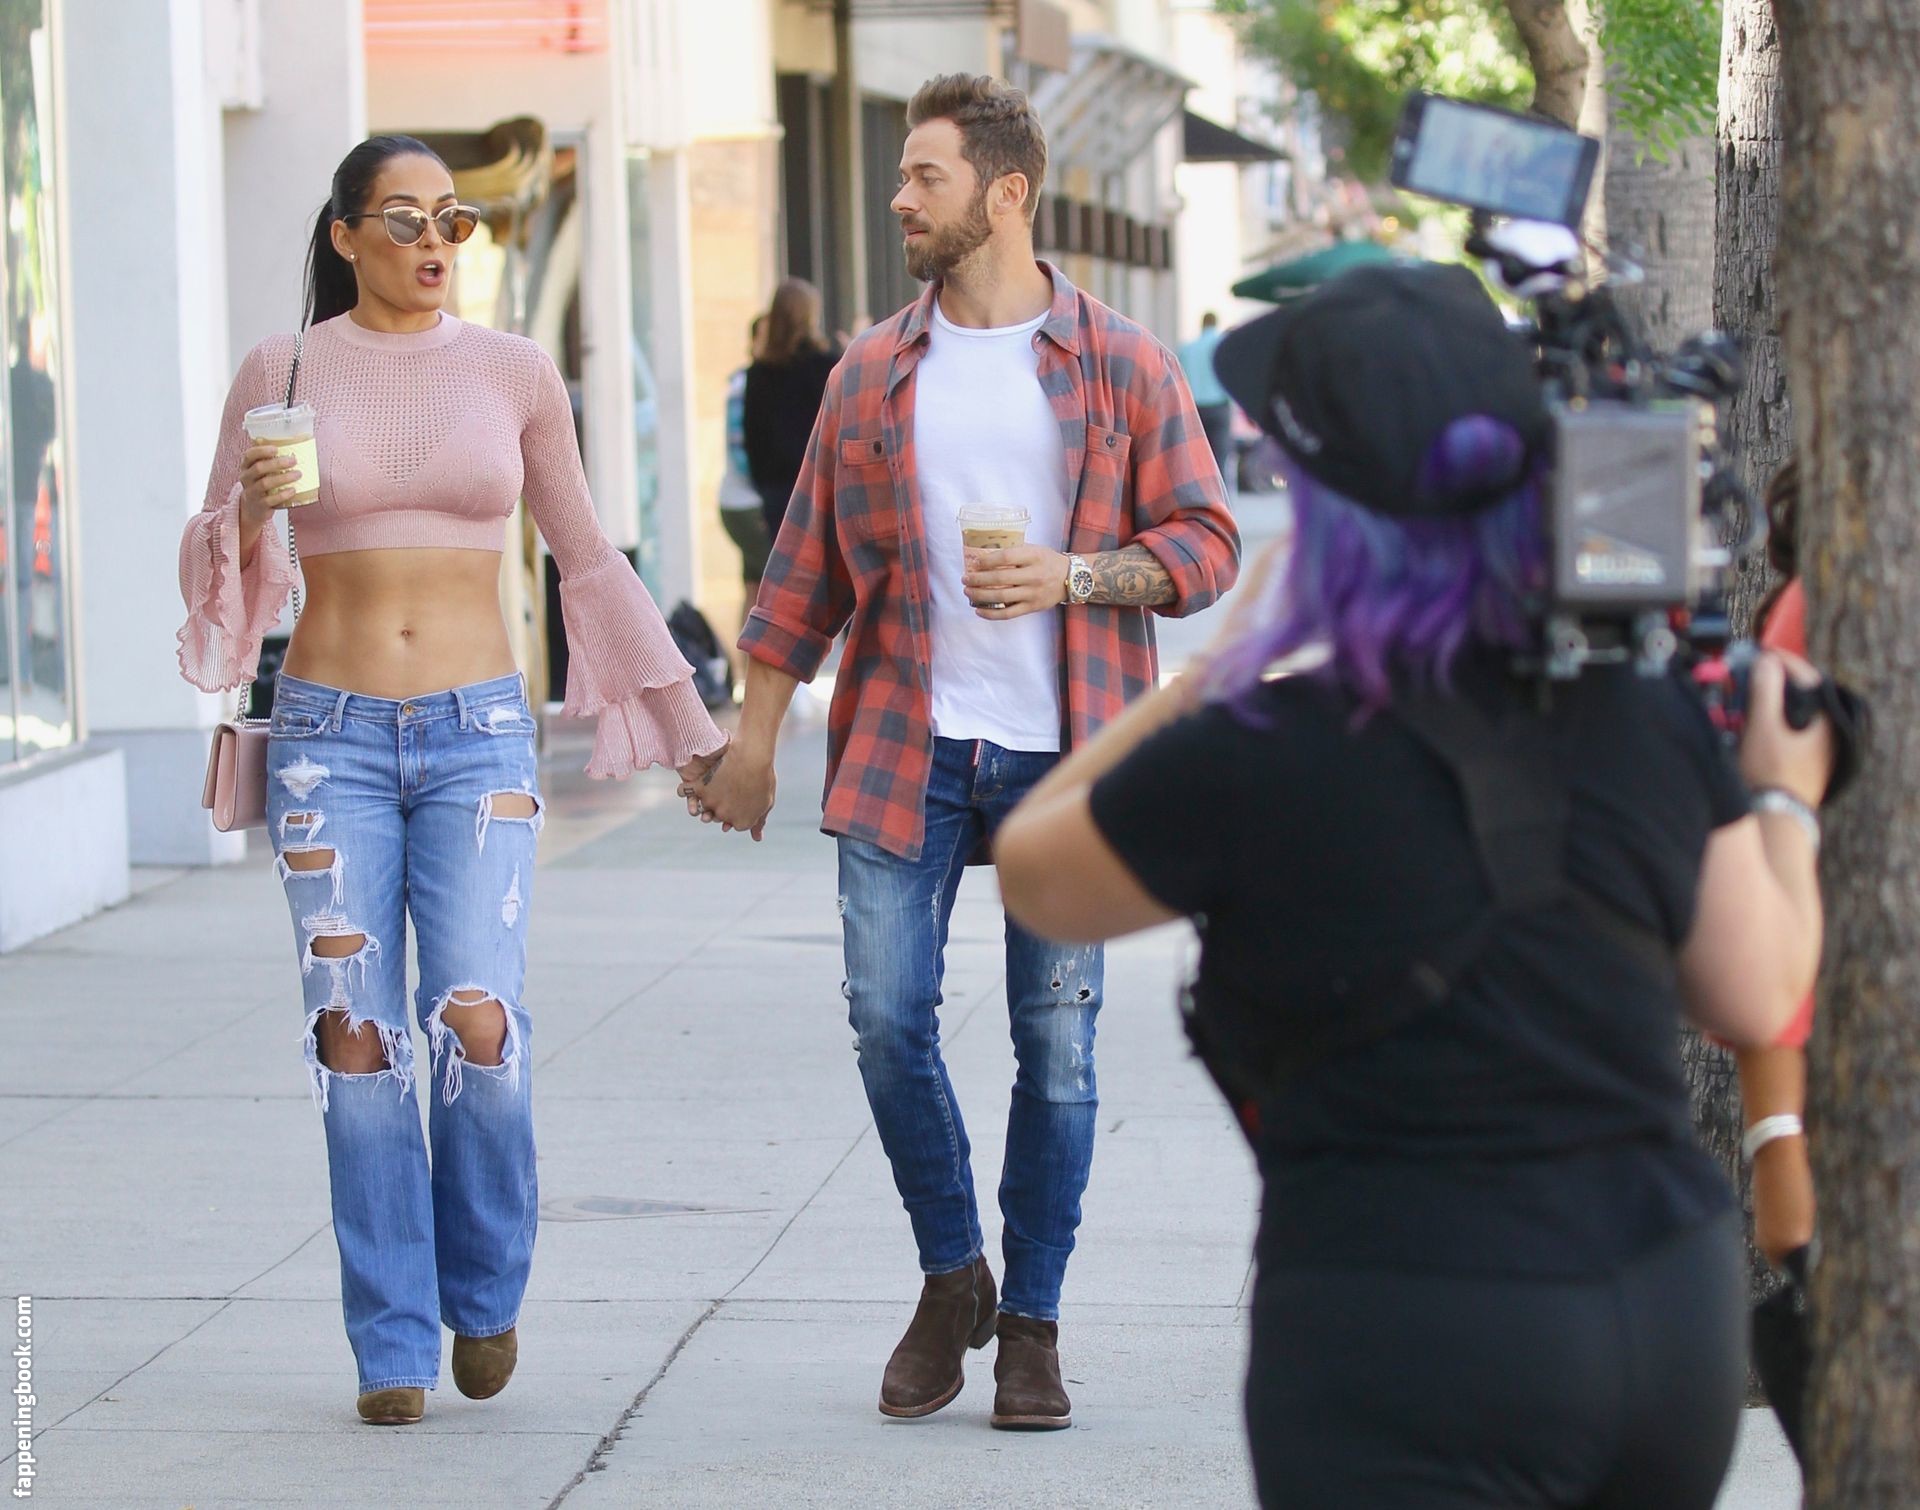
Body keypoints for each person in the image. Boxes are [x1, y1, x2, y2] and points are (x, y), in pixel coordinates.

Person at [992, 262, 1831, 1506]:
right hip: (1661, 1319)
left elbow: (1035, 869)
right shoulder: (1637, 713)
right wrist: (1783, 798)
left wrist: (1213, 673)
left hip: (1411, 1331)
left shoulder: (1262, 746)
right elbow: (1757, 989)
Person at [686, 73, 1239, 1430]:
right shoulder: (871, 372)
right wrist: (752, 745)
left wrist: (1076, 575)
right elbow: (800, 579)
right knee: (887, 1022)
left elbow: (1208, 543)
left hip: (1071, 752)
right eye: (900, 175)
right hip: (906, 741)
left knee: (1059, 1047)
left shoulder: (1123, 362)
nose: (898, 198)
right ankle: (954, 1275)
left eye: (923, 176)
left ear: (1005, 193)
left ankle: (1032, 1324)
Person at [174, 136, 728, 1428]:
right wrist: (250, 510)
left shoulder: (515, 370)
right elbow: (211, 557)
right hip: (329, 738)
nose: (434, 243)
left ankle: (483, 1289)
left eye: (453, 221)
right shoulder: (282, 369)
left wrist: (687, 727)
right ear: (346, 235)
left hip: (478, 734)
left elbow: (587, 556)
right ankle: (390, 1335)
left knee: (476, 1016)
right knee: (353, 1035)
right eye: (405, 219)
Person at [743, 278, 840, 544]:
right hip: (821, 490)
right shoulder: (827, 367)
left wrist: (764, 488)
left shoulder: (758, 373)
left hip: (777, 491)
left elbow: (753, 438)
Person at [1177, 311, 1233, 487]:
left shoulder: (1187, 349)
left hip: (1194, 408)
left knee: (1195, 459)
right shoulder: (1222, 345)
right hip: (1219, 407)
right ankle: (1219, 496)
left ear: (1202, 325)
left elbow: (1179, 379)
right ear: (1215, 324)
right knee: (1219, 459)